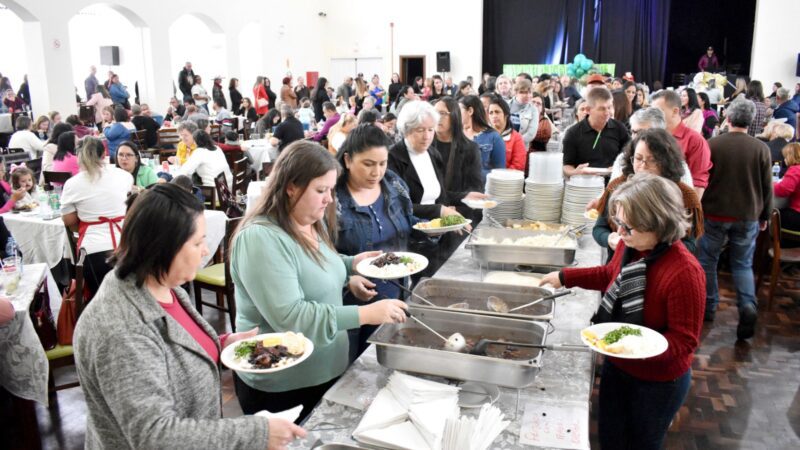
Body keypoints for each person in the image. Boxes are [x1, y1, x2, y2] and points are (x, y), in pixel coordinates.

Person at [73, 183, 306, 449]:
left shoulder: (162, 285)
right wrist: (258, 433)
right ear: (162, 247)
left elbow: (167, 351)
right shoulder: (120, 327)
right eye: (197, 242)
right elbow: (154, 436)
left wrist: (221, 344)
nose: (205, 251)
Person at [230, 141, 408, 421]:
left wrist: (352, 266)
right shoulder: (260, 239)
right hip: (285, 385)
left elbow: (318, 265)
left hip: (327, 368)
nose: (329, 200)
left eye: (330, 190)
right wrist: (365, 314)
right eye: (320, 190)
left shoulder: (310, 220)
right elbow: (291, 317)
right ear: (291, 186)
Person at [540, 173, 704, 450]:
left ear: (659, 224)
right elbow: (609, 274)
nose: (620, 234)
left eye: (628, 227)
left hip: (658, 382)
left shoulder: (685, 273)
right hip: (618, 365)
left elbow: (685, 340)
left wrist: (636, 348)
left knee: (640, 443)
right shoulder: (632, 246)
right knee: (611, 438)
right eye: (619, 223)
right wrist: (565, 276)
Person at [334, 124, 422, 358]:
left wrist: (428, 230)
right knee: (355, 365)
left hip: (396, 292)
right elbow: (318, 252)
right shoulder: (332, 199)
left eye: (382, 163)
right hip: (352, 305)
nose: (377, 172)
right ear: (347, 160)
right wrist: (347, 278)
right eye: (368, 164)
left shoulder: (393, 185)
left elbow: (408, 222)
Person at [698, 98, 772, 339]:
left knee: (708, 260)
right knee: (742, 264)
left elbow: (703, 179)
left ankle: (709, 308)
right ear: (750, 122)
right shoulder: (761, 148)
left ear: (727, 118)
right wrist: (765, 215)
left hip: (713, 212)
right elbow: (766, 186)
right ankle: (747, 305)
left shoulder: (712, 144)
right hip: (747, 214)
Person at [593, 128, 704, 260]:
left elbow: (690, 244)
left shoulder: (684, 195)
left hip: (662, 267)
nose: (643, 166)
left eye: (652, 160)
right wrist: (609, 239)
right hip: (620, 265)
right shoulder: (617, 187)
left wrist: (653, 247)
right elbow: (599, 229)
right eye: (638, 158)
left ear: (666, 162)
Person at [61, 137, 133, 294]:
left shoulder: (72, 184)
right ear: (104, 154)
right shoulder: (124, 176)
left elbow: (68, 220)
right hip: (127, 245)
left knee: (100, 299)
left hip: (94, 249)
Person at [651, 90, 712, 198]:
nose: (653, 116)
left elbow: (698, 184)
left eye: (658, 112)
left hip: (676, 206)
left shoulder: (695, 140)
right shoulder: (652, 135)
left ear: (675, 111)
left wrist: (687, 212)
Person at [431, 97, 485, 220]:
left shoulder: (469, 148)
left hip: (460, 212)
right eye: (434, 113)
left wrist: (458, 208)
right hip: (429, 211)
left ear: (455, 116)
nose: (437, 117)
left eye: (443, 113)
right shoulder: (426, 146)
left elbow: (475, 189)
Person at [562, 87, 630, 177]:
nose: (607, 112)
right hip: (584, 183)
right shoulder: (573, 133)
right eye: (602, 109)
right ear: (588, 110)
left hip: (612, 183)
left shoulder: (619, 128)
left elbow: (628, 155)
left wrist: (619, 166)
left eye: (609, 107)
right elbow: (567, 166)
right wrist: (575, 172)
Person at [459, 95, 505, 181]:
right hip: (459, 190)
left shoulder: (493, 137)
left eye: (459, 110)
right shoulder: (457, 134)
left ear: (470, 111)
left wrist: (474, 173)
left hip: (483, 188)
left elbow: (500, 171)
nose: (457, 114)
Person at [486, 95, 526, 171]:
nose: (494, 116)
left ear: (506, 115)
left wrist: (499, 175)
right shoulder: (483, 135)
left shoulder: (516, 138)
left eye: (497, 112)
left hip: (507, 180)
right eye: (491, 113)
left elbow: (518, 166)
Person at [774, 143, 800, 245]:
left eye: (785, 156)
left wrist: (771, 184)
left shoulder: (795, 170)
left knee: (772, 216)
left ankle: (774, 249)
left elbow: (783, 190)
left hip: (797, 215)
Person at [507, 79, 539, 149]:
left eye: (529, 92)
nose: (527, 95)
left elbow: (531, 133)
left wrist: (515, 142)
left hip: (521, 147)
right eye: (523, 92)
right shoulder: (505, 105)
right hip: (504, 145)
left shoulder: (533, 110)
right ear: (516, 93)